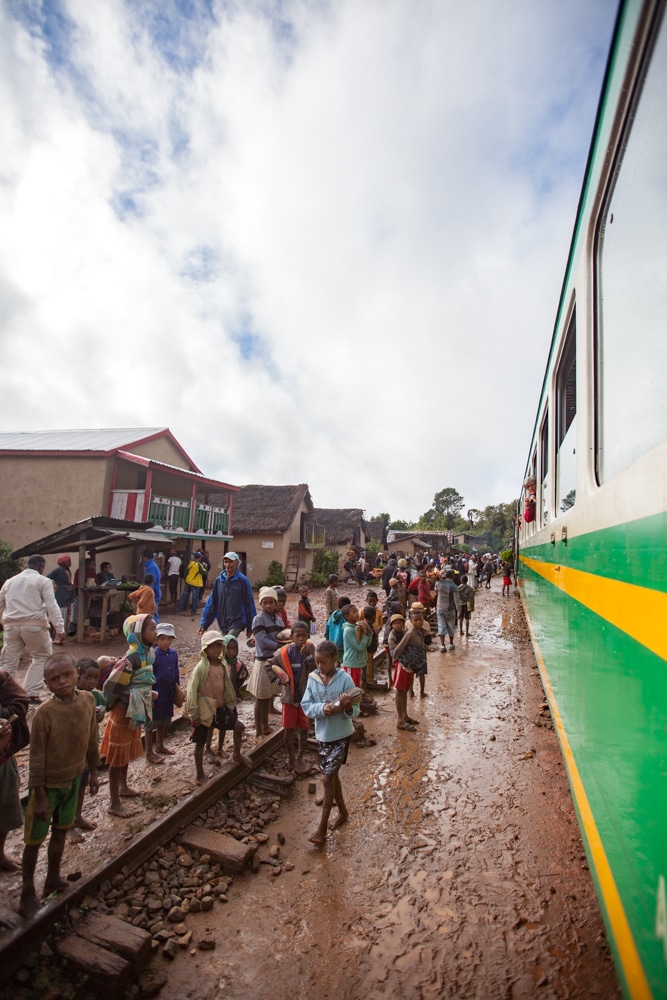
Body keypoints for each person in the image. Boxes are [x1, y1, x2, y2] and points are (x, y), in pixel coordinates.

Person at [19, 652, 100, 917]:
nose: (62, 682)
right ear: (47, 684)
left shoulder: (87, 700)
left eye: (67, 675)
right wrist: (39, 795)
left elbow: (91, 739)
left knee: (60, 831)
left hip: (73, 779)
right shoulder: (44, 713)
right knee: (34, 840)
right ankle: (27, 890)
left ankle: (52, 877)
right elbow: (36, 757)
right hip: (47, 787)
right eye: (54, 679)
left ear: (76, 674)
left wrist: (94, 772)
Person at [301, 640, 361, 845]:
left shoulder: (345, 680)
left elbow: (357, 708)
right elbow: (306, 705)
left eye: (323, 663)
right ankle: (343, 812)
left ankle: (322, 827)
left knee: (327, 779)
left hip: (341, 736)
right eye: (317, 662)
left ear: (335, 661)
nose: (320, 667)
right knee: (332, 776)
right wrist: (322, 709)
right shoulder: (313, 679)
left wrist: (346, 707)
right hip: (323, 736)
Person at [100, 614, 158, 815]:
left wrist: (147, 693)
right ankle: (113, 803)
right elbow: (113, 687)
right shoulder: (131, 658)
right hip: (124, 710)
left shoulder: (149, 653)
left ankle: (123, 788)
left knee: (125, 750)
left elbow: (144, 680)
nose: (156, 632)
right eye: (152, 629)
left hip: (136, 708)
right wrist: (107, 705)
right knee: (117, 755)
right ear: (137, 634)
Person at [186, 629, 252, 784]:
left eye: (218, 646)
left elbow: (226, 686)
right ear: (205, 649)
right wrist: (193, 712)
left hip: (219, 708)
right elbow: (191, 690)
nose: (215, 650)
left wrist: (230, 702)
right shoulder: (201, 668)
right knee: (200, 742)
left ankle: (236, 753)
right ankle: (199, 773)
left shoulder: (222, 665)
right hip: (204, 708)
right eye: (211, 647)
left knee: (238, 726)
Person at [0, 554, 65, 703]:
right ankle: (30, 693)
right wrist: (60, 629)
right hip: (34, 626)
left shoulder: (9, 582)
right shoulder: (43, 581)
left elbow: (0, 604)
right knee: (42, 656)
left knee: (8, 662)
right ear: (41, 567)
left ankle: (4, 695)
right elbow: (51, 605)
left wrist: (5, 623)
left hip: (11, 626)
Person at [268, 621, 316, 773]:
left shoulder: (310, 650)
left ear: (308, 636)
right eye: (298, 636)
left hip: (305, 698)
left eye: (304, 635)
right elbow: (269, 666)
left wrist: (308, 656)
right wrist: (279, 680)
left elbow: (315, 670)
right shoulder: (285, 653)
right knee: (288, 730)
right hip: (289, 698)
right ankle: (292, 758)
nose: (301, 639)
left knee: (304, 728)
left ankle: (300, 756)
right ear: (292, 637)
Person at [67, 658, 106, 843]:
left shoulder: (95, 696)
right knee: (69, 789)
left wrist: (100, 714)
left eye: (95, 678)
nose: (92, 682)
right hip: (70, 752)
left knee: (82, 784)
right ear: (77, 675)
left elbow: (97, 720)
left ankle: (77, 816)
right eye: (87, 677)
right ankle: (67, 826)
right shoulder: (70, 696)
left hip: (87, 747)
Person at [0, 669, 30, 872]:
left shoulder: (2, 678)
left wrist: (3, 718)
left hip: (2, 761)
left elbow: (20, 703)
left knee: (4, 808)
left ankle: (0, 853)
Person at [246, 587, 284, 739]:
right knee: (261, 697)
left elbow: (282, 636)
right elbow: (262, 641)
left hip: (274, 661)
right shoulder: (258, 619)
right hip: (263, 662)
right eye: (265, 602)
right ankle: (258, 730)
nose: (268, 605)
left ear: (275, 603)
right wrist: (280, 646)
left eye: (271, 602)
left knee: (269, 695)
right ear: (261, 604)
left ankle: (266, 725)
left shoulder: (279, 620)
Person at [206, 634, 249, 758]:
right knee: (210, 724)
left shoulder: (238, 664)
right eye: (228, 649)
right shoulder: (218, 663)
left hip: (228, 700)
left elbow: (243, 675)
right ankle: (208, 749)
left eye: (234, 649)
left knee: (224, 724)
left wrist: (235, 690)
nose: (231, 652)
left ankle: (220, 748)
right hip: (215, 700)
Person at [199, 552, 256, 638]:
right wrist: (204, 624)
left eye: (231, 562)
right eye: (226, 562)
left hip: (237, 621)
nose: (228, 564)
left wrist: (250, 626)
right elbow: (211, 603)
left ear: (237, 563)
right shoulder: (219, 581)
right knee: (226, 648)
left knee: (228, 642)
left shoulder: (242, 581)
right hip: (223, 621)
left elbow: (249, 604)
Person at [391, 607, 426, 731]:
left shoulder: (421, 632)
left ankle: (404, 716)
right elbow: (399, 648)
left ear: (423, 619)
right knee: (400, 691)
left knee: (405, 690)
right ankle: (400, 720)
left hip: (410, 667)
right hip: (404, 665)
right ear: (411, 621)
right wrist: (395, 659)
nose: (418, 622)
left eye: (420, 620)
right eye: (415, 620)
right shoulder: (410, 633)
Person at [149, 623, 180, 759]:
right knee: (151, 723)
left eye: (169, 639)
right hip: (156, 693)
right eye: (162, 639)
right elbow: (149, 676)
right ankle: (149, 752)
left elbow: (176, 672)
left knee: (164, 720)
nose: (166, 642)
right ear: (156, 639)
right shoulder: (153, 655)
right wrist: (149, 695)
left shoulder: (173, 654)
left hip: (168, 692)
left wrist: (177, 689)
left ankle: (160, 744)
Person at [341, 605, 372, 688]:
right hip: (351, 663)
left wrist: (368, 632)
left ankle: (358, 700)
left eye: (357, 611)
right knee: (351, 690)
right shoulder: (348, 630)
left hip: (357, 663)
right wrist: (365, 634)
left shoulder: (357, 627)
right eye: (354, 612)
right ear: (347, 616)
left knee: (356, 688)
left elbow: (367, 644)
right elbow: (360, 647)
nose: (357, 614)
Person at [47, 555, 75, 633]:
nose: (70, 563)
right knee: (60, 613)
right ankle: (58, 632)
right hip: (61, 594)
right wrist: (54, 585)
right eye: (68, 562)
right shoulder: (58, 570)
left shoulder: (68, 570)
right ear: (63, 563)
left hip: (67, 593)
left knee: (65, 614)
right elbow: (47, 578)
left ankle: (62, 632)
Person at [435, 569, 460, 652]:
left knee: (441, 626)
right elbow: (456, 600)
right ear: (453, 576)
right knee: (450, 626)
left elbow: (435, 590)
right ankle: (451, 643)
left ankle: (442, 645)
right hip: (450, 609)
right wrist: (459, 611)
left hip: (440, 608)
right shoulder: (454, 586)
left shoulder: (438, 583)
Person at [178, 553, 207, 617]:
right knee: (195, 597)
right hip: (195, 583)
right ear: (199, 558)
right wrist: (205, 566)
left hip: (188, 582)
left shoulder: (190, 563)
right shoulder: (199, 565)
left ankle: (179, 608)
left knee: (184, 595)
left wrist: (186, 580)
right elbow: (204, 573)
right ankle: (194, 611)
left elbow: (186, 572)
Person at [324, 595, 351, 664]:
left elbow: (327, 626)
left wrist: (327, 638)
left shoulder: (333, 615)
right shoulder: (346, 617)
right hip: (342, 643)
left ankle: (335, 673)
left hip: (332, 642)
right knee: (343, 661)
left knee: (336, 661)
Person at [141, 550, 162, 618]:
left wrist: (146, 593)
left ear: (145, 557)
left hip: (153, 593)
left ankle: (154, 627)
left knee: (152, 613)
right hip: (153, 592)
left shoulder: (151, 567)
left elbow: (151, 582)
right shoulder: (151, 565)